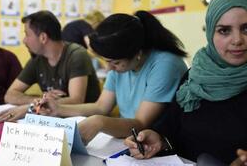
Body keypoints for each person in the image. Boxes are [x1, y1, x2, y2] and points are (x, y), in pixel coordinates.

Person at [124, 0, 247, 165]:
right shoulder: (196, 75)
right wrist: (158, 139)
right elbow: (171, 125)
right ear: (211, 33)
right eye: (224, 31)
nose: (236, 40)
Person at [37, 10, 188, 144]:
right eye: (106, 61)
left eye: (114, 62)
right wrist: (58, 109)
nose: (109, 68)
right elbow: (101, 106)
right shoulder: (120, 65)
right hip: (128, 139)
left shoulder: (165, 65)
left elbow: (142, 123)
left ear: (138, 54)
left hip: (157, 144)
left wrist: (100, 123)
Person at [0, 10, 100, 122]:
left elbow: (76, 100)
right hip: (54, 120)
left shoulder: (77, 54)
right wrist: (41, 99)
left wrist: (34, 106)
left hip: (84, 122)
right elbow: (9, 95)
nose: (24, 40)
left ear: (43, 37)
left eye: (27, 34)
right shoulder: (37, 60)